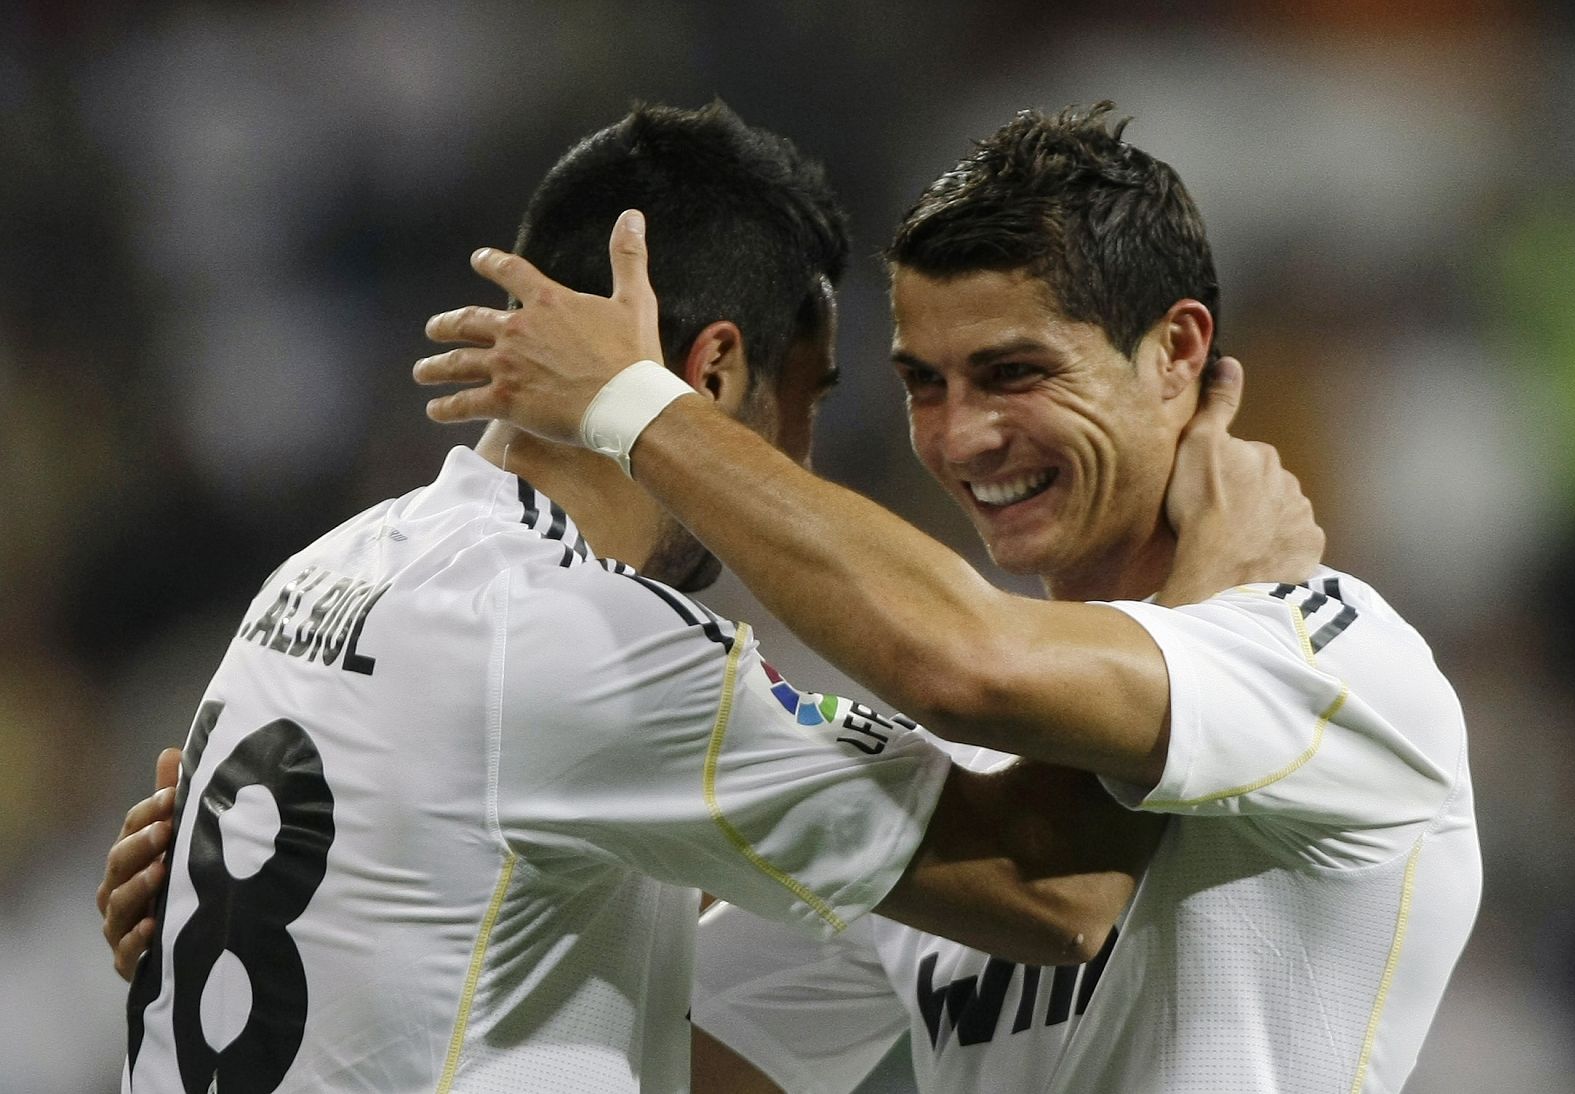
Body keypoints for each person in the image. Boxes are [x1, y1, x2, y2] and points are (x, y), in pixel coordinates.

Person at [96, 102, 1319, 1094]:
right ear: (713, 371)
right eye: (811, 398)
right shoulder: (588, 641)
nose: (800, 460)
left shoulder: (323, 572)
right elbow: (1052, 890)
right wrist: (1209, 591)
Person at [407, 103, 1481, 1093]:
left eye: (1015, 373)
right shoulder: (975, 781)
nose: (962, 437)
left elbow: (972, 667)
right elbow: (676, 1059)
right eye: (926, 382)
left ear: (1177, 351)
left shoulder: (1330, 661)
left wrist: (635, 403)